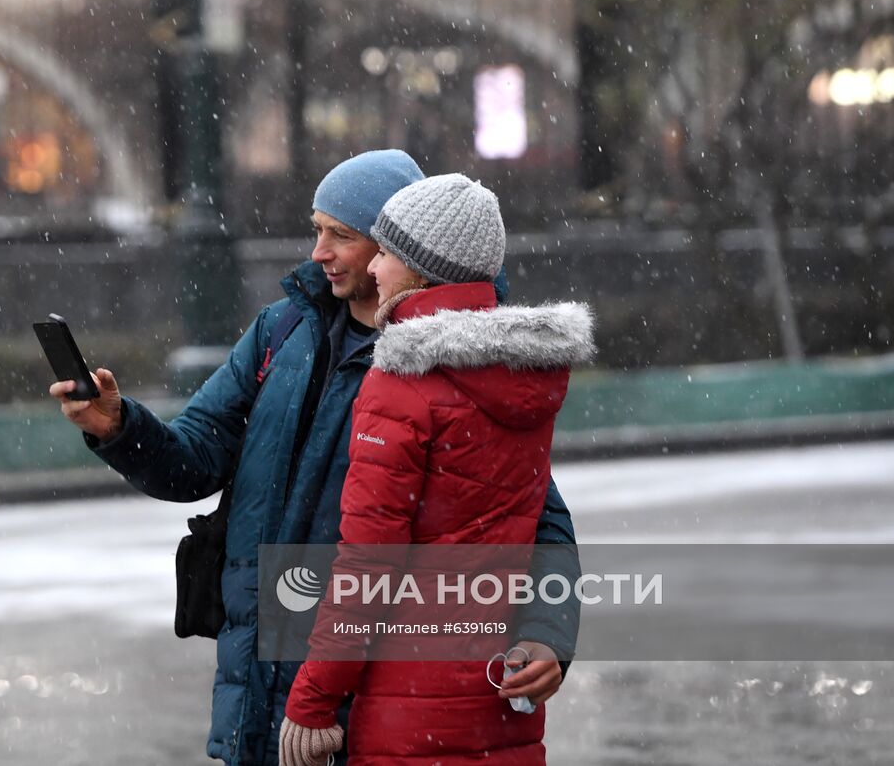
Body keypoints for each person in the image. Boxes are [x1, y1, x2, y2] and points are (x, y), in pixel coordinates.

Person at [50, 151, 579, 765]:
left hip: (375, 695)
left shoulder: (449, 364)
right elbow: (193, 459)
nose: (318, 252)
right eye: (317, 229)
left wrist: (548, 633)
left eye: (341, 236)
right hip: (262, 679)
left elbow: (536, 518)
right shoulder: (281, 332)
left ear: (396, 249)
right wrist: (117, 426)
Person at [279, 174, 594, 766]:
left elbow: (369, 566)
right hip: (498, 689)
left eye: (389, 253)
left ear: (422, 269)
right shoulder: (523, 376)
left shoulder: (402, 380)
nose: (375, 269)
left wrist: (313, 701)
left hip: (411, 697)